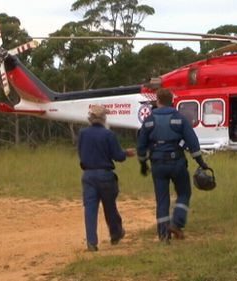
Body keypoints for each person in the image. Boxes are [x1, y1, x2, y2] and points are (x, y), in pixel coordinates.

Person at [137, 88, 210, 242]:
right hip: (177, 162)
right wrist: (200, 162)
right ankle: (177, 223)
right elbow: (193, 142)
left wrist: (143, 164)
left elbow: (141, 145)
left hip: (157, 164)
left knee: (162, 199)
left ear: (158, 101)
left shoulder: (149, 120)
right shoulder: (180, 119)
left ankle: (163, 235)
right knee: (184, 193)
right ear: (172, 101)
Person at [77, 105, 135, 251]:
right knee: (110, 206)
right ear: (103, 118)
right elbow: (118, 156)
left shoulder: (82, 133)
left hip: (88, 175)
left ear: (90, 118)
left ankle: (91, 242)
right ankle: (115, 233)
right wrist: (125, 153)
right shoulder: (108, 134)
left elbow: (80, 153)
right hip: (105, 175)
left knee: (90, 209)